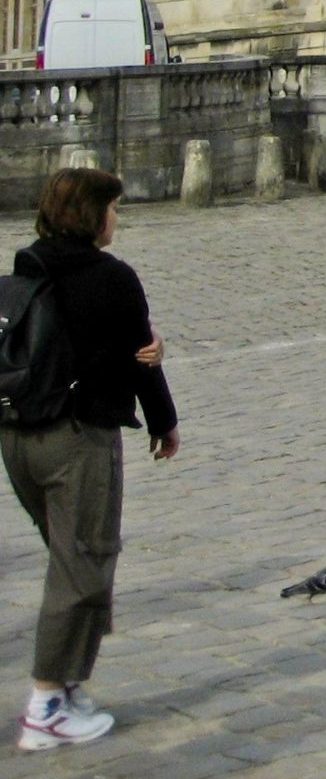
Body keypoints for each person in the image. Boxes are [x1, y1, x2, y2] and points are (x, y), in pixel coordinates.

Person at [4, 168, 179, 753]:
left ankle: (72, 683)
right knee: (82, 564)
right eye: (114, 209)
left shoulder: (28, 265)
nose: (118, 220)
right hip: (77, 439)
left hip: (20, 437)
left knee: (74, 557)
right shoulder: (112, 278)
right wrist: (164, 422)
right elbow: (139, 359)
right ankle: (46, 703)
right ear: (93, 215)